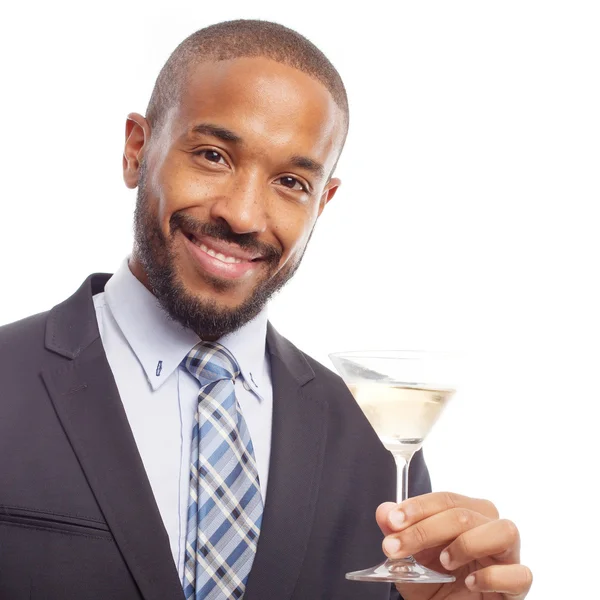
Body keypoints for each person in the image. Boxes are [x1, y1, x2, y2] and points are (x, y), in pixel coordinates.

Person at [0, 19, 532, 600]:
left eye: (291, 182)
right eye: (213, 155)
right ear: (136, 150)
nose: (245, 215)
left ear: (322, 203)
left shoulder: (372, 440)